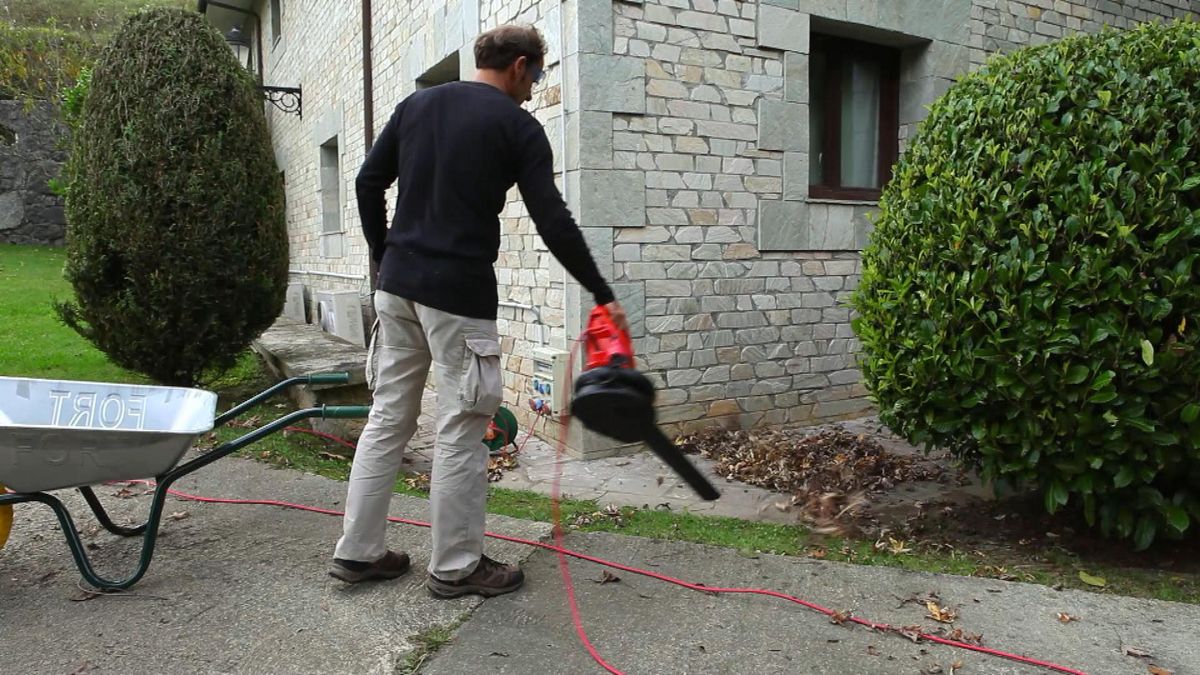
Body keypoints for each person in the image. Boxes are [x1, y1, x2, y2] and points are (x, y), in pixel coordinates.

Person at [330, 24, 628, 599]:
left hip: (396, 288)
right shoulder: (517, 126)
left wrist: (381, 253)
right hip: (457, 297)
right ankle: (457, 567)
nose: (535, 89)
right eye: (537, 76)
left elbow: (368, 182)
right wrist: (600, 290)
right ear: (520, 65)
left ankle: (358, 553)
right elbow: (553, 219)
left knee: (389, 416)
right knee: (464, 427)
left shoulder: (416, 105)